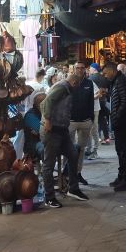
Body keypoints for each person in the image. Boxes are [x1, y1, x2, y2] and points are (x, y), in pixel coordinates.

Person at [39, 64, 90, 208]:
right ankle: (49, 197)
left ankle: (73, 189)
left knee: (73, 154)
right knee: (48, 164)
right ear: (74, 82)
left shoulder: (66, 88)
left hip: (61, 129)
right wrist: (48, 120)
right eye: (77, 86)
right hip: (51, 130)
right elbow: (46, 102)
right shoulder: (62, 87)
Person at [103, 62, 126, 191]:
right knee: (120, 150)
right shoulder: (116, 81)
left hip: (123, 121)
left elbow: (125, 101)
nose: (104, 76)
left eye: (105, 73)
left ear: (112, 70)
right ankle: (121, 176)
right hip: (119, 121)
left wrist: (117, 115)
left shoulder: (121, 80)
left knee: (124, 150)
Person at [68, 61, 95, 186]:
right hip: (71, 121)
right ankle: (67, 174)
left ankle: (78, 173)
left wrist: (91, 119)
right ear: (74, 69)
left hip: (85, 121)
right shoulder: (69, 83)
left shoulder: (89, 83)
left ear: (85, 69)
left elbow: (91, 102)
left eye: (82, 68)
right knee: (68, 149)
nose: (79, 70)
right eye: (77, 68)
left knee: (81, 149)